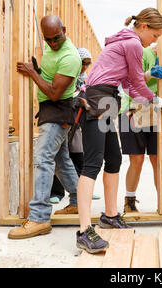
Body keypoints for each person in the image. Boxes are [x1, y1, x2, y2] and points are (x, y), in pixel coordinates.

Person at [76, 8, 162, 254]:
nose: (157, 40)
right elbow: (139, 82)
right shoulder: (134, 44)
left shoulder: (125, 41)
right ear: (144, 28)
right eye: (156, 35)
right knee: (92, 164)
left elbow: (130, 82)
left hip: (107, 98)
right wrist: (157, 100)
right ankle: (84, 231)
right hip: (97, 99)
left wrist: (149, 99)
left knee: (114, 159)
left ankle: (110, 215)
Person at [9, 15, 81, 239]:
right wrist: (39, 72)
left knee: (42, 159)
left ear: (65, 30)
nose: (52, 44)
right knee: (61, 160)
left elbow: (54, 92)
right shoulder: (51, 46)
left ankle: (39, 218)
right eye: (48, 40)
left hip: (59, 109)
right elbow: (49, 78)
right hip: (51, 109)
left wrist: (32, 73)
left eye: (56, 39)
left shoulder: (70, 57)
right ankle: (80, 202)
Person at [119, 26, 162, 213]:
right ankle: (129, 201)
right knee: (137, 159)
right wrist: (149, 74)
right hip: (132, 111)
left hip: (155, 115)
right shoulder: (141, 53)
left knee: (158, 159)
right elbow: (130, 84)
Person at [50, 48, 100, 205]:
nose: (85, 66)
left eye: (88, 63)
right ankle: (57, 192)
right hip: (63, 119)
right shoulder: (66, 76)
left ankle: (82, 190)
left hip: (76, 122)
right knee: (58, 156)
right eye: (82, 63)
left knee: (78, 155)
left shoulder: (85, 80)